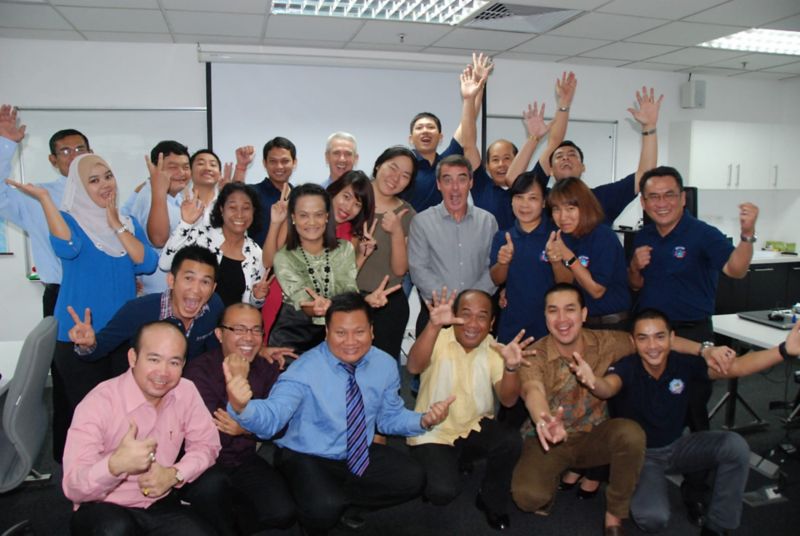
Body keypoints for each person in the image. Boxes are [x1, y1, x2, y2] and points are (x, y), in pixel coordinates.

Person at [224, 292, 455, 535]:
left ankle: (340, 501)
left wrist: (423, 420)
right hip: (305, 454)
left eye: (359, 332)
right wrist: (243, 407)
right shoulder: (304, 370)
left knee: (413, 478)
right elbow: (274, 414)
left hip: (355, 451)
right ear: (327, 333)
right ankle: (316, 505)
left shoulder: (384, 364)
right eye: (340, 333)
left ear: (372, 331)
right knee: (323, 510)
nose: (350, 341)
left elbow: (388, 418)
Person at [510, 283, 724, 536]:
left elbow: (656, 342)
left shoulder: (607, 342)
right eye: (553, 311)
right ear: (545, 316)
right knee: (527, 498)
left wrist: (704, 349)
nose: (562, 319)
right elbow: (533, 390)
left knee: (630, 433)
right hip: (549, 438)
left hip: (594, 436)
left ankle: (614, 517)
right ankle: (560, 474)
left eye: (570, 309)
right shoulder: (533, 354)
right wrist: (544, 420)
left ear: (584, 314)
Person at [572, 309, 800, 536]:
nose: (652, 346)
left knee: (734, 445)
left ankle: (718, 526)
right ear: (633, 341)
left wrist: (784, 351)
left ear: (672, 338)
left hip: (678, 448)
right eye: (643, 338)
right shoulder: (626, 367)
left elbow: (737, 367)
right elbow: (608, 386)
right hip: (642, 457)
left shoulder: (683, 363)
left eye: (659, 336)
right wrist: (593, 382)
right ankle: (636, 485)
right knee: (653, 519)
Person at [629, 165, 759, 522]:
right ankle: (645, 470)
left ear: (683, 198)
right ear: (643, 202)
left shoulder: (702, 234)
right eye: (653, 196)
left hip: (692, 332)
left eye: (669, 194)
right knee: (645, 405)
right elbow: (636, 286)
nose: (662, 202)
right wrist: (636, 268)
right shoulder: (643, 236)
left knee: (694, 411)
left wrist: (747, 235)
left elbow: (736, 269)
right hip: (651, 337)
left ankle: (696, 491)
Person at [8, 153, 158, 463]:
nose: (105, 184)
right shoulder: (69, 219)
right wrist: (47, 201)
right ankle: (85, 486)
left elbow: (147, 262)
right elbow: (68, 247)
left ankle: (124, 483)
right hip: (80, 335)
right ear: (78, 187)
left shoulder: (127, 222)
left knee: (126, 414)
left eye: (108, 175)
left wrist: (116, 224)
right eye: (94, 180)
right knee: (89, 417)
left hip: (124, 337)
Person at [62, 321, 222, 536]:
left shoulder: (186, 391)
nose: (163, 372)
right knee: (113, 529)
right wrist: (113, 466)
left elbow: (208, 444)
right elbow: (73, 487)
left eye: (174, 362)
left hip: (159, 501)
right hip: (104, 505)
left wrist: (174, 474)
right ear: (133, 358)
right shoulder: (99, 403)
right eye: (154, 359)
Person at [407, 288, 532, 531]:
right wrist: (432, 326)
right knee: (442, 492)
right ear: (453, 316)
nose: (473, 323)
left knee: (510, 441)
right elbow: (412, 366)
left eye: (482, 316)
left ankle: (490, 500)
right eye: (466, 314)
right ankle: (434, 468)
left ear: (492, 322)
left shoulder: (496, 348)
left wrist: (512, 368)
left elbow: (507, 401)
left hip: (473, 426)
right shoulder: (438, 337)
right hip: (433, 430)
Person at [184, 304, 296, 533]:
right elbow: (219, 433)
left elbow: (283, 426)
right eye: (239, 329)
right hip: (204, 462)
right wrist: (237, 379)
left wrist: (244, 429)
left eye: (256, 330)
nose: (249, 337)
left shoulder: (267, 368)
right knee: (214, 492)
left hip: (244, 459)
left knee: (283, 513)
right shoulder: (198, 371)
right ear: (219, 334)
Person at [506, 81, 662, 226]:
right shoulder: (542, 200)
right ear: (550, 170)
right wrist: (535, 137)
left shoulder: (601, 198)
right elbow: (513, 180)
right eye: (559, 156)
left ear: (583, 167)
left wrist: (649, 128)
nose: (565, 157)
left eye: (572, 154)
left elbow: (644, 175)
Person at [269, 183, 398, 352]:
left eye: (318, 215)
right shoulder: (283, 257)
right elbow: (303, 301)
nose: (312, 222)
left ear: (327, 217)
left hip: (336, 335)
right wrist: (315, 307)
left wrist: (365, 301)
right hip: (293, 338)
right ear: (293, 218)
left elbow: (347, 291)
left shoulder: (344, 249)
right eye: (303, 215)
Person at [0, 104, 92, 316]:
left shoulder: (107, 194)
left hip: (104, 290)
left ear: (91, 153)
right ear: (53, 160)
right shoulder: (36, 197)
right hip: (61, 294)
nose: (74, 156)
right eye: (65, 151)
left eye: (80, 149)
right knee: (59, 349)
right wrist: (5, 146)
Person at [68, 244, 223, 365]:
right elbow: (99, 348)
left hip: (185, 393)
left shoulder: (214, 307)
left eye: (205, 281)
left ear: (213, 288)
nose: (196, 289)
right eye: (189, 278)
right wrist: (88, 345)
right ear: (171, 280)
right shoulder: (137, 311)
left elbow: (212, 354)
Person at [408, 154, 497, 335]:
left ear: (470, 183)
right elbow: (419, 270)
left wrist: (470, 304)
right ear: (439, 184)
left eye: (462, 179)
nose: (455, 188)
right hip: (436, 316)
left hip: (477, 318)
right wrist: (454, 304)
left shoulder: (488, 221)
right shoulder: (421, 222)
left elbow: (492, 268)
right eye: (447, 180)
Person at [159, 182, 269, 308]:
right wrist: (186, 223)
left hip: (230, 325)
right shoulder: (201, 235)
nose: (239, 214)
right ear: (222, 209)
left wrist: (257, 297)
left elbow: (252, 305)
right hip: (191, 318)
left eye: (246, 208)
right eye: (232, 207)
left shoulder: (256, 254)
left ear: (253, 212)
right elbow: (164, 264)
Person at [404, 54, 487, 213]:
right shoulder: (405, 166)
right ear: (411, 138)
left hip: (442, 231)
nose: (425, 131)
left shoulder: (447, 163)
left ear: (440, 137)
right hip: (409, 234)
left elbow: (468, 123)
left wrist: (479, 86)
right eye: (419, 128)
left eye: (430, 127)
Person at [546, 177, 631, 330]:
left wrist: (567, 256)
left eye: (570, 208)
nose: (562, 216)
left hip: (611, 325)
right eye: (556, 209)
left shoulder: (603, 236)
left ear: (585, 207)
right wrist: (556, 261)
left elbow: (596, 290)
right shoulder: (563, 237)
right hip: (582, 325)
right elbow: (566, 284)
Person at [358, 146, 417, 359]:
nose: (396, 178)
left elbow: (401, 269)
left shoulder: (407, 214)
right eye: (392, 168)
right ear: (377, 165)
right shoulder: (351, 200)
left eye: (405, 175)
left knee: (381, 371)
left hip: (387, 304)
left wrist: (396, 232)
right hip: (349, 301)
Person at [490, 171, 554, 343]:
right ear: (511, 200)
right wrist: (503, 262)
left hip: (549, 327)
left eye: (532, 198)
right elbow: (496, 279)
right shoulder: (503, 237)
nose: (524, 204)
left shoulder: (555, 236)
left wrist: (556, 259)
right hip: (512, 325)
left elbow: (567, 281)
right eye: (519, 197)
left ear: (543, 202)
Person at [129, 140, 192, 294]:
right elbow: (158, 240)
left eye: (186, 167)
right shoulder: (151, 196)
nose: (182, 173)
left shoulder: (177, 196)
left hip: (176, 287)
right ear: (156, 169)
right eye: (173, 167)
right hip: (158, 289)